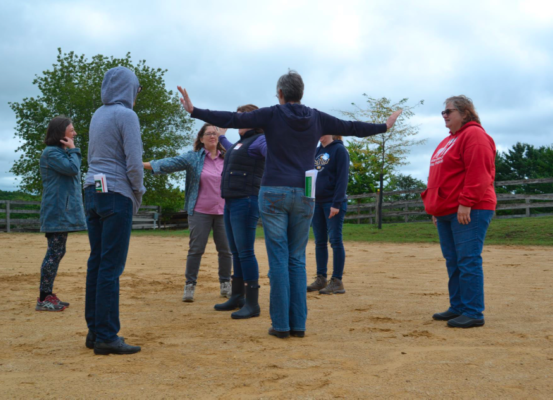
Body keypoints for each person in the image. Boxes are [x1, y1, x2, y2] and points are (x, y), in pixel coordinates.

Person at [177, 70, 402, 338]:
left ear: (281, 94)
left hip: (273, 192)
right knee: (297, 260)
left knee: (279, 260)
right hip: (305, 193)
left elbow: (233, 118)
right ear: (301, 93)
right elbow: (351, 126)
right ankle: (298, 325)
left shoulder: (272, 114)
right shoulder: (317, 117)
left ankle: (281, 325)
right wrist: (384, 126)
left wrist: (194, 110)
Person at [84, 66, 145, 355]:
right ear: (128, 87)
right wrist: (138, 191)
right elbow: (134, 161)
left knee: (97, 261)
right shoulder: (127, 115)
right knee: (111, 265)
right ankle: (108, 337)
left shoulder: (98, 114)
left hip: (92, 190)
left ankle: (95, 331)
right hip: (117, 192)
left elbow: (91, 155)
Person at [421, 95, 496, 329]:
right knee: (453, 261)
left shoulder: (474, 135)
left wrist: (467, 202)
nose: (444, 116)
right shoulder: (448, 140)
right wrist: (435, 206)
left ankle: (473, 312)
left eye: (448, 111)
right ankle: (458, 306)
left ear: (465, 113)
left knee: (467, 260)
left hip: (469, 208)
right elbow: (439, 177)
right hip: (446, 210)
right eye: (443, 112)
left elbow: (479, 171)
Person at [144, 124, 232, 303]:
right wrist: (141, 164)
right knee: (196, 249)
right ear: (201, 139)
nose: (212, 136)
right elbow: (170, 163)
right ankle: (189, 285)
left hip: (224, 211)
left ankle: (225, 284)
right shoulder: (193, 158)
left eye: (215, 133)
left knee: (225, 250)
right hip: (200, 211)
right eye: (208, 134)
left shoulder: (228, 157)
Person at [214, 104, 267, 319]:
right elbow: (231, 148)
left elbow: (271, 153)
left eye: (242, 117)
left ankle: (252, 303)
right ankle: (238, 296)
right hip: (232, 200)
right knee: (236, 250)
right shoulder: (241, 142)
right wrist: (220, 135)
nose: (238, 121)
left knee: (245, 251)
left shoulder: (261, 139)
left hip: (246, 200)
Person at [36, 116, 87, 311]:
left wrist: (71, 150)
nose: (74, 134)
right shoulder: (51, 153)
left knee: (57, 251)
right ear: (61, 133)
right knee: (54, 252)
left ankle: (47, 294)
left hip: (60, 211)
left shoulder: (60, 152)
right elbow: (73, 169)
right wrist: (74, 149)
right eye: (71, 130)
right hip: (56, 212)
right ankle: (43, 298)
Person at [307, 134, 349, 295]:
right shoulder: (316, 151)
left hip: (332, 203)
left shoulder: (339, 150)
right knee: (319, 242)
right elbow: (310, 176)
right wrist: (309, 198)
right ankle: (321, 278)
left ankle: (337, 281)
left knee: (335, 241)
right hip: (316, 202)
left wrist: (336, 203)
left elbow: (342, 178)